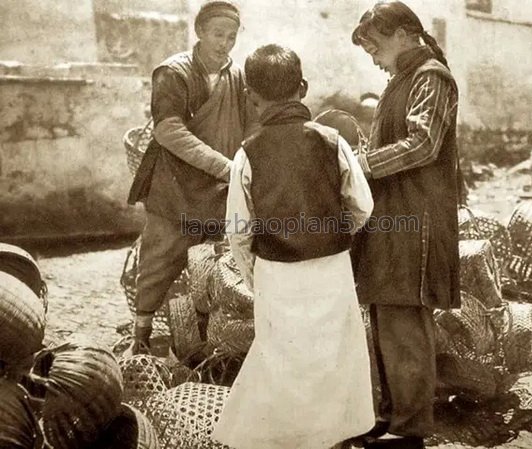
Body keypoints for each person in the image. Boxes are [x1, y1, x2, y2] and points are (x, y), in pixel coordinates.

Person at [212, 44, 375, 449]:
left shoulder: (247, 153)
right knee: (332, 357)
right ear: (302, 88)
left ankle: (287, 440)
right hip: (332, 268)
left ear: (251, 97)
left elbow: (239, 229)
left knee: (283, 359)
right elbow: (363, 206)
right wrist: (336, 236)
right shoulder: (333, 141)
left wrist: (253, 275)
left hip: (277, 273)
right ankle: (333, 437)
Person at [350, 2, 462, 448]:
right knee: (384, 316)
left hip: (417, 221)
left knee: (404, 321)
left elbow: (422, 144)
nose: (374, 59)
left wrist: (360, 165)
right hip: (394, 218)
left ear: (401, 34)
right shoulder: (402, 78)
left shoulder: (431, 77)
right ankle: (390, 416)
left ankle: (410, 427)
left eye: (375, 48)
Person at [126, 0, 256, 355]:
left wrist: (248, 162)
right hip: (176, 184)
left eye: (231, 36)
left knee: (214, 265)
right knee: (159, 257)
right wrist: (225, 167)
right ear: (199, 32)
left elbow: (250, 126)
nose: (224, 43)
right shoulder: (173, 72)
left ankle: (205, 339)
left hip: (219, 189)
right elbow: (169, 131)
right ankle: (141, 334)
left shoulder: (238, 76)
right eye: (217, 34)